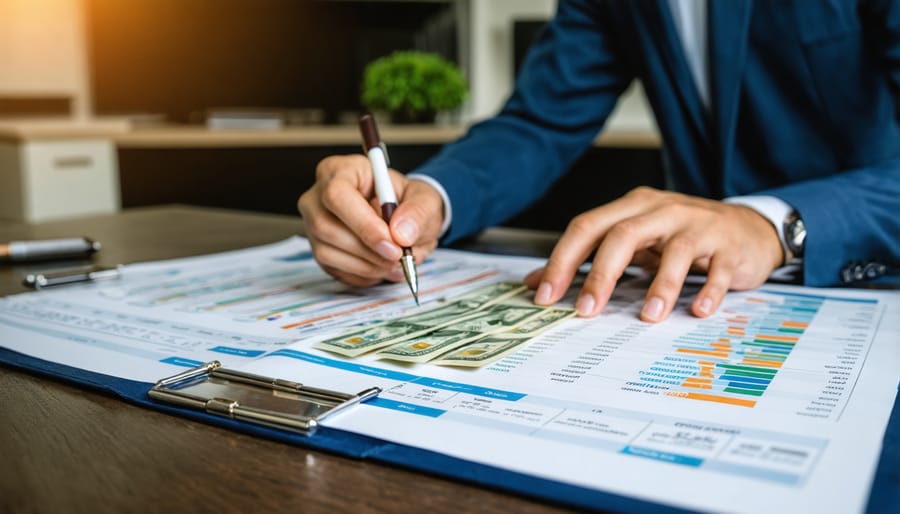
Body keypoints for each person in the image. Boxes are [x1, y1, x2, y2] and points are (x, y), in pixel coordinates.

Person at [298, 0, 900, 323]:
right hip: (682, 295)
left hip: (862, 279)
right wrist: (429, 196)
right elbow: (540, 121)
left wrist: (772, 224)